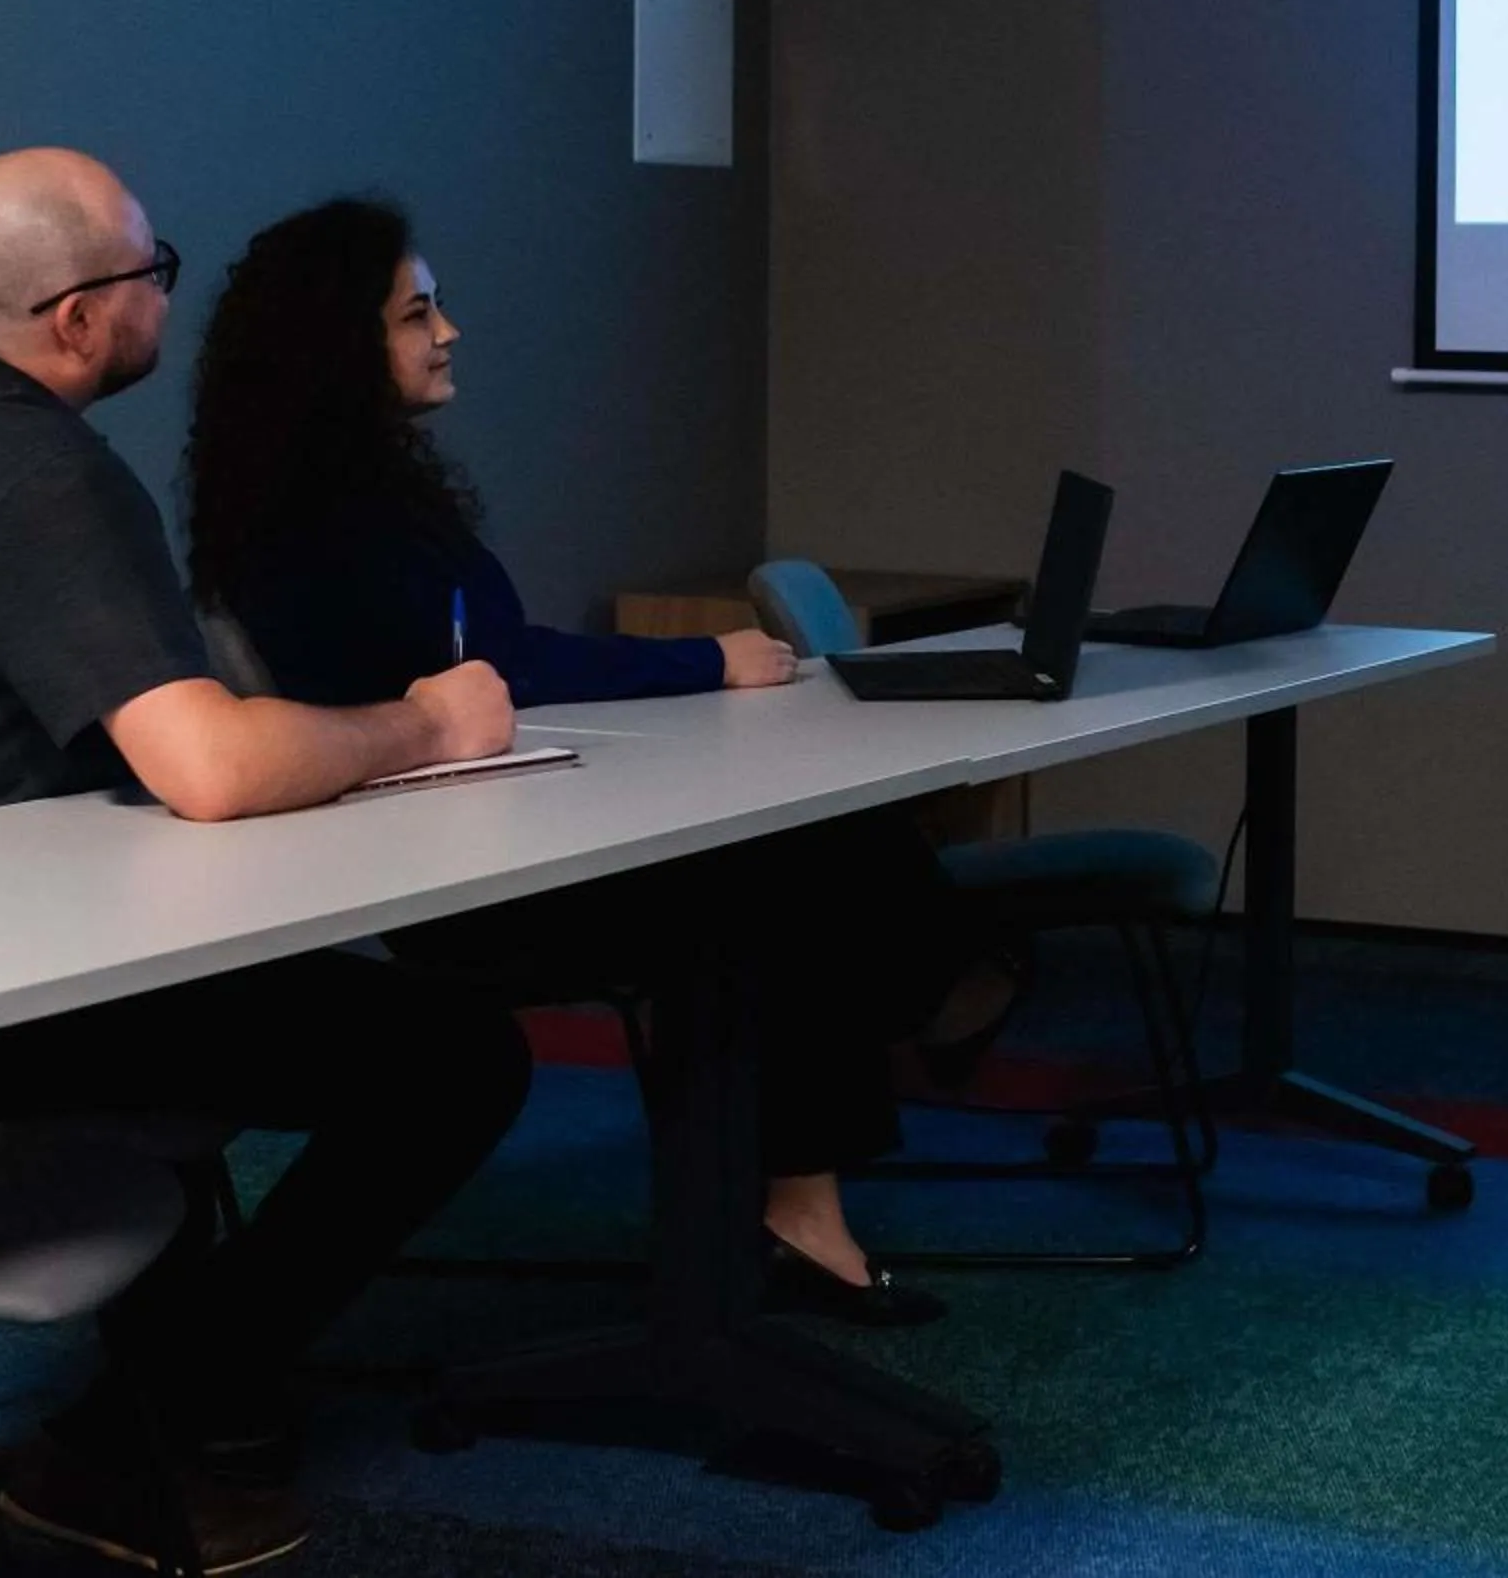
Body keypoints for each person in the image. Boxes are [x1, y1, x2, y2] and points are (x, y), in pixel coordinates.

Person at [0, 149, 535, 1568]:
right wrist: (432, 722)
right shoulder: (37, 474)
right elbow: (212, 767)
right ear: (78, 318)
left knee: (233, 1014)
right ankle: (141, 1430)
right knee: (453, 1055)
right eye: (153, 274)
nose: (165, 301)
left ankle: (181, 1397)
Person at [183, 198, 1010, 1328]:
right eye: (417, 314)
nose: (449, 332)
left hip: (494, 831)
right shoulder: (312, 526)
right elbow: (501, 668)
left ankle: (821, 1168)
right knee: (792, 873)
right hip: (457, 887)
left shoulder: (365, 494)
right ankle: (909, 1045)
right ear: (338, 345)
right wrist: (702, 660)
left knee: (805, 840)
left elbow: (493, 665)